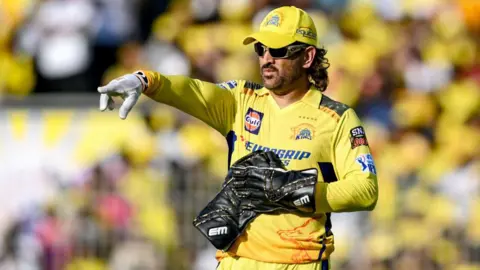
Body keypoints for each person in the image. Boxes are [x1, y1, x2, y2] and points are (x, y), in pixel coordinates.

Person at [97, 6, 379, 270]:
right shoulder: (241, 101)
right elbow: (193, 91)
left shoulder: (337, 118)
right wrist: (147, 81)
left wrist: (296, 190)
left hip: (298, 262)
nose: (267, 59)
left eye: (278, 50)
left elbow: (365, 191)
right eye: (261, 48)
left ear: (307, 57)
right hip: (237, 260)